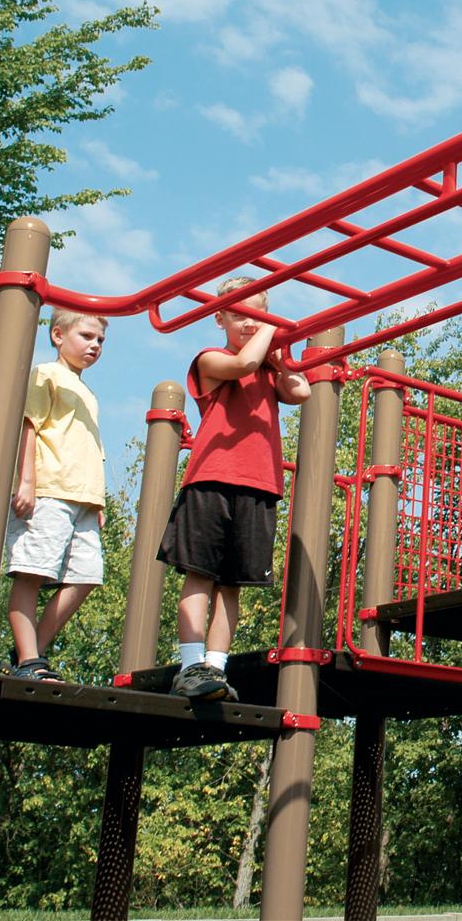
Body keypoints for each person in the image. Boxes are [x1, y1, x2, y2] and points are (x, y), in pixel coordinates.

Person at [160, 276, 311, 701]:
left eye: (260, 312)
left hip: (260, 484)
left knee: (233, 584)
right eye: (242, 313)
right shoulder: (210, 359)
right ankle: (189, 666)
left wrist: (282, 353)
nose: (251, 321)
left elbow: (299, 391)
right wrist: (271, 327)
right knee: (199, 575)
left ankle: (216, 667)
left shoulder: (268, 366)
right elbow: (243, 364)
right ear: (219, 317)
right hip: (211, 478)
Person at [5, 309, 110, 683]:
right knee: (31, 572)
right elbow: (29, 427)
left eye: (100, 340)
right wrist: (26, 481)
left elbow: (89, 447)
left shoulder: (88, 392)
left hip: (84, 499)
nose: (94, 345)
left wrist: (98, 499)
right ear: (58, 336)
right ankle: (30, 658)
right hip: (49, 491)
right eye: (86, 336)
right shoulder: (45, 375)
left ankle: (29, 651)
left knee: (86, 576)